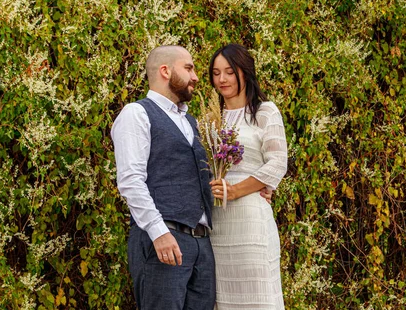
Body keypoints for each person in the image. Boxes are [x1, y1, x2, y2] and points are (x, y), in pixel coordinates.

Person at [111, 45, 216, 310]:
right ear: (165, 71)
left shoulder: (192, 122)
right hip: (163, 240)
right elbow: (131, 180)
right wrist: (159, 233)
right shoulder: (137, 113)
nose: (196, 77)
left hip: (202, 245)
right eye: (189, 68)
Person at [208, 43, 288, 309]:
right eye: (216, 73)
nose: (222, 79)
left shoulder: (265, 112)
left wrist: (238, 190)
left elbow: (277, 163)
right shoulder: (210, 120)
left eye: (229, 72)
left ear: (245, 72)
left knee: (257, 295)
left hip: (251, 220)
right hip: (217, 222)